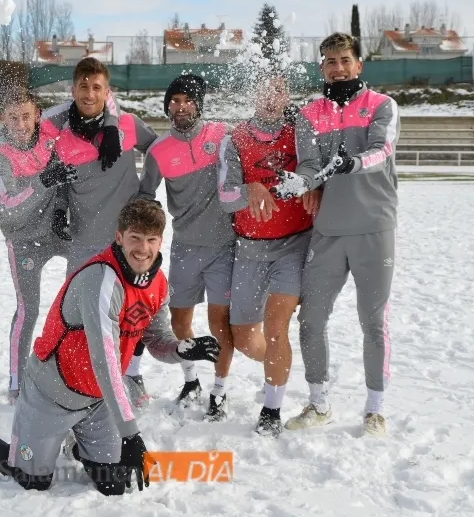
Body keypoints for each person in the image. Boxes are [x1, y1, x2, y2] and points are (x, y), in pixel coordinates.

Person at [0, 200, 220, 495]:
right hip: (51, 393)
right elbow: (104, 362)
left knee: (114, 484)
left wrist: (181, 350)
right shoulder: (101, 280)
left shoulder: (157, 283)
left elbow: (156, 339)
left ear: (160, 241)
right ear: (119, 238)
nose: (143, 249)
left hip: (97, 400)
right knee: (33, 482)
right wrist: (131, 435)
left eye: (151, 240)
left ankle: (74, 444)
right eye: (135, 238)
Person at [273, 32, 400, 437]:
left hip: (373, 228)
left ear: (359, 64)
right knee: (310, 320)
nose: (338, 67)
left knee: (373, 322)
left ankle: (375, 409)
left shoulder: (382, 105)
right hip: (328, 232)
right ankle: (319, 403)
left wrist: (352, 163)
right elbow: (310, 166)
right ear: (322, 67)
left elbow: (383, 151)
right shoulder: (310, 114)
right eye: (330, 61)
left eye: (345, 59)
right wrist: (299, 183)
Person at [40, 57, 159, 405]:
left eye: (97, 87)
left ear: (108, 92)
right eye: (83, 86)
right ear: (72, 89)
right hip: (84, 240)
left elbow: (160, 151)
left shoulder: (128, 125)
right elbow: (59, 182)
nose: (89, 93)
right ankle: (77, 379)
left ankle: (130, 376)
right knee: (78, 313)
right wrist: (60, 208)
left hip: (127, 243)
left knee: (131, 315)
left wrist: (146, 195)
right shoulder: (61, 137)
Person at [218, 75, 318, 436]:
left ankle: (271, 408)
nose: (272, 97)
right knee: (245, 339)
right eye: (264, 89)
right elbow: (225, 196)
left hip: (292, 245)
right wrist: (250, 186)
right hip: (248, 249)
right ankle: (278, 366)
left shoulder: (299, 128)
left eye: (279, 90)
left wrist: (308, 185)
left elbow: (312, 167)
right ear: (253, 93)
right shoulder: (236, 138)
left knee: (277, 328)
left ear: (287, 94)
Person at [136, 74, 236, 421]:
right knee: (179, 321)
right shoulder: (159, 150)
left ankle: (219, 391)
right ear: (167, 107)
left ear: (199, 104)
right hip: (185, 248)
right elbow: (145, 197)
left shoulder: (222, 136)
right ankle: (191, 380)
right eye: (175, 101)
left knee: (220, 323)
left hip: (224, 247)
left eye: (188, 100)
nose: (181, 107)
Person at [0, 87, 77, 403]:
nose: (20, 125)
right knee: (28, 308)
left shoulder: (49, 128)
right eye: (12, 118)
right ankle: (16, 384)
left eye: (26, 116)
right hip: (24, 239)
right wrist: (42, 183)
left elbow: (94, 98)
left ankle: (75, 371)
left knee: (80, 299)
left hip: (58, 230)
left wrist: (61, 208)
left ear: (38, 114)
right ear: (2, 119)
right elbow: (9, 205)